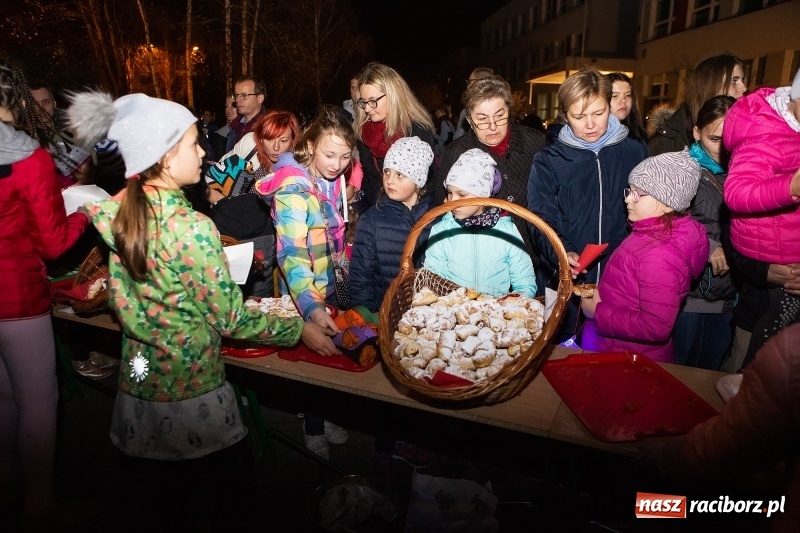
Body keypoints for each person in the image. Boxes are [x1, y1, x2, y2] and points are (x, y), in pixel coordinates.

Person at [65, 90, 332, 528]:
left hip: (138, 381)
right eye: (193, 143)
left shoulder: (121, 214)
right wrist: (295, 330)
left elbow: (122, 296)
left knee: (171, 500)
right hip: (192, 391)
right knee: (230, 491)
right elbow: (230, 317)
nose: (203, 151)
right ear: (167, 158)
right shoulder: (191, 227)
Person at [0, 59, 92, 529]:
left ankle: (8, 487)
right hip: (18, 297)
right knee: (38, 398)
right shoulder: (27, 158)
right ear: (15, 98)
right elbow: (54, 241)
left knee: (3, 399)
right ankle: (39, 501)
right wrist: (86, 214)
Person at [643, 321, 800, 532]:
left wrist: (662, 457)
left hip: (770, 504)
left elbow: (724, 450)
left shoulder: (792, 350)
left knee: (654, 503)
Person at [528, 67, 648, 341]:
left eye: (598, 113)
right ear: (566, 115)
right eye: (579, 117)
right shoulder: (549, 160)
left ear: (610, 106)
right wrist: (561, 251)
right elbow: (541, 218)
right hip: (565, 283)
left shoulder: (635, 151)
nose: (590, 125)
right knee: (561, 357)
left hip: (621, 279)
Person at [267, 106, 356, 459]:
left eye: (345, 156)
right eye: (329, 154)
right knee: (313, 359)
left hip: (329, 279)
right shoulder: (293, 188)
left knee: (331, 357)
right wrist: (311, 305)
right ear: (311, 146)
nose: (337, 164)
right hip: (305, 288)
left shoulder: (333, 180)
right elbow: (291, 253)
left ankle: (325, 414)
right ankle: (313, 425)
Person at [579, 150, 708, 363]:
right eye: (629, 191)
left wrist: (598, 312)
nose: (628, 199)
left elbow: (656, 326)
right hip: (619, 351)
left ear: (668, 203)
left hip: (628, 360)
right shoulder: (649, 232)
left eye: (638, 194)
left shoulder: (660, 255)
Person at [721, 66, 800, 369]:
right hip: (761, 289)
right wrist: (789, 186)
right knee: (755, 376)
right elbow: (736, 196)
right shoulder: (763, 134)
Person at [434, 75, 545, 265]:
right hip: (481, 261)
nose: (493, 127)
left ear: (509, 111)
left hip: (533, 256)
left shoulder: (536, 143)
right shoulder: (456, 153)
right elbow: (441, 208)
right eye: (482, 119)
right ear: (469, 120)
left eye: (500, 116)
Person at [672, 95, 737, 370]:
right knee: (679, 373)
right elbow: (667, 223)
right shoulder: (682, 170)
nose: (724, 147)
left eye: (731, 138)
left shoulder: (747, 169)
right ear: (697, 132)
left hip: (731, 295)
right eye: (715, 139)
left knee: (710, 375)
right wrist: (708, 245)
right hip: (693, 296)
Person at [207, 110, 302, 297]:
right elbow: (214, 177)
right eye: (269, 139)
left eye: (283, 141)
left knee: (259, 299)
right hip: (234, 239)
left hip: (267, 241)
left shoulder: (295, 171)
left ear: (293, 141)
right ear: (260, 139)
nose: (275, 147)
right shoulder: (250, 152)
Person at [425, 148, 537, 298]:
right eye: (450, 193)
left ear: (483, 195)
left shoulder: (506, 230)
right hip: (455, 311)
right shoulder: (442, 230)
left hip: (496, 314)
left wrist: (513, 303)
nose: (452, 201)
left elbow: (524, 282)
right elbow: (434, 280)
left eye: (462, 194)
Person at [349, 136, 434, 312]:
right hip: (384, 312)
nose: (389, 180)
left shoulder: (435, 219)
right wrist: (369, 317)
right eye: (387, 171)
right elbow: (360, 278)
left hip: (427, 314)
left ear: (418, 181)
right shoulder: (372, 219)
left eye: (400, 175)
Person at [353, 62, 435, 212]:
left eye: (373, 101)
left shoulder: (417, 131)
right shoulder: (364, 131)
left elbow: (424, 187)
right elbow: (370, 180)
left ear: (393, 96)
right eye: (363, 102)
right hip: (376, 213)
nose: (367, 108)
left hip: (410, 216)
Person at [648, 52, 747, 156]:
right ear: (710, 85)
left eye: (742, 80)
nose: (743, 88)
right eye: (734, 81)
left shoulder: (747, 131)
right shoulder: (667, 143)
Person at [605, 72, 648, 143]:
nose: (623, 101)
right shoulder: (592, 136)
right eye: (615, 96)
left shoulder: (640, 136)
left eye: (628, 95)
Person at [454, 67, 494, 139]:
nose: (468, 86)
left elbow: (458, 136)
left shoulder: (466, 112)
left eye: (470, 81)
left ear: (478, 82)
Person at [230, 75, 266, 145]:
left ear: (260, 98)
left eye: (244, 95)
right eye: (236, 95)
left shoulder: (267, 127)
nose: (237, 99)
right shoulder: (234, 126)